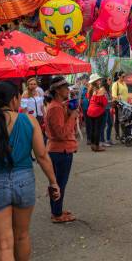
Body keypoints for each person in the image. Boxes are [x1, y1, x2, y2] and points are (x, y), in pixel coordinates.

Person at [0, 81, 60, 261]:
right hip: (24, 181)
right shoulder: (30, 121)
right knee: (22, 236)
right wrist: (53, 182)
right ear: (14, 99)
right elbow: (42, 156)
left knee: (3, 244)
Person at [44, 77, 78, 223]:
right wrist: (72, 117)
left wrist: (68, 111)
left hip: (58, 150)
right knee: (59, 183)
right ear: (57, 90)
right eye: (65, 87)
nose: (68, 90)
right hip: (60, 151)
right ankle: (57, 214)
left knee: (57, 182)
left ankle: (56, 210)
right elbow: (61, 133)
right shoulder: (56, 107)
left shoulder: (57, 106)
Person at [86, 74, 107, 152]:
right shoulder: (100, 90)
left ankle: (93, 145)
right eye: (98, 80)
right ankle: (97, 146)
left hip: (90, 111)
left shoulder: (90, 89)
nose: (100, 81)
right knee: (97, 129)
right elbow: (103, 102)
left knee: (93, 129)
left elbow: (89, 98)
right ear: (96, 81)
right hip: (97, 112)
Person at [111, 72, 129, 142]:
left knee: (123, 120)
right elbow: (114, 96)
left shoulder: (124, 83)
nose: (124, 78)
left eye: (124, 76)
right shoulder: (115, 84)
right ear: (119, 76)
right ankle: (118, 134)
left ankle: (123, 134)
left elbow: (125, 93)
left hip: (125, 104)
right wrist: (119, 102)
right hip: (119, 104)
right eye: (122, 76)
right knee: (119, 120)